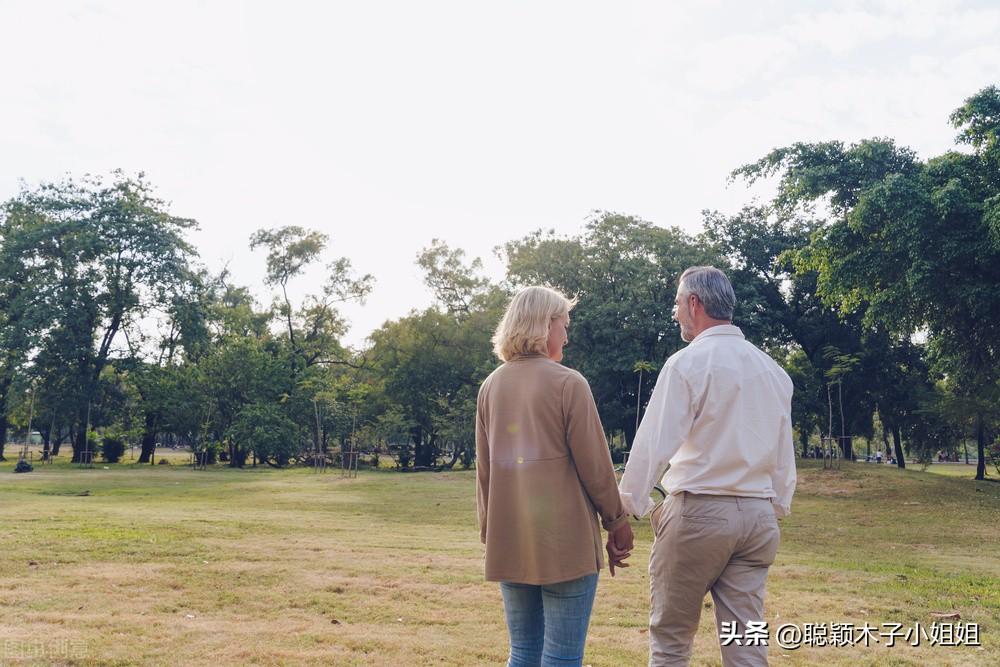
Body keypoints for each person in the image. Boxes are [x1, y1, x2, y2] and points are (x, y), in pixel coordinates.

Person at [619, 266, 797, 667]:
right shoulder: (774, 371)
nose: (676, 311)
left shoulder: (687, 363)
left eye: (678, 303)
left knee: (671, 640)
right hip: (757, 517)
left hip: (700, 513)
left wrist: (626, 505)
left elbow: (654, 442)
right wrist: (776, 505)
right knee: (746, 641)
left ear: (694, 303)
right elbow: (784, 452)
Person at [476, 285, 634, 667]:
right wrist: (617, 522)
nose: (567, 333)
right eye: (564, 323)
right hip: (566, 545)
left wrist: (490, 534)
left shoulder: (490, 386)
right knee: (562, 657)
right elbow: (596, 468)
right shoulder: (569, 383)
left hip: (510, 538)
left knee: (523, 653)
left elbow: (485, 474)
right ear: (545, 325)